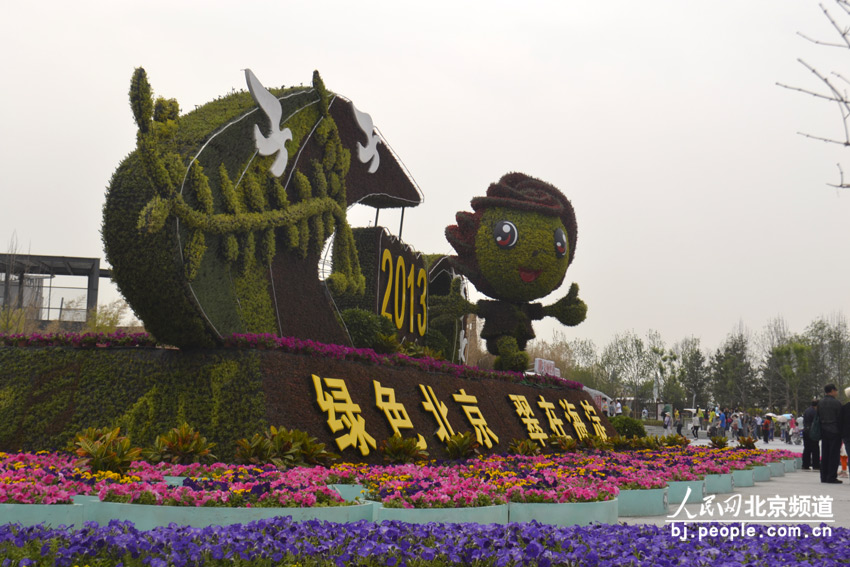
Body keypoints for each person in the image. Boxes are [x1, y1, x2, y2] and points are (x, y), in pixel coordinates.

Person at [818, 383, 843, 484]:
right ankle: (831, 477)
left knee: (825, 453)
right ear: (832, 391)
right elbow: (840, 418)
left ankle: (823, 476)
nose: (836, 392)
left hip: (823, 430)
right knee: (834, 454)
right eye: (835, 390)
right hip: (835, 431)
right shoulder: (837, 403)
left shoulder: (820, 403)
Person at [803, 399, 820, 470]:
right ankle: (816, 465)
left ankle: (805, 465)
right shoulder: (815, 412)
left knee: (807, 448)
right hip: (812, 432)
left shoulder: (807, 410)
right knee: (815, 448)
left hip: (806, 430)